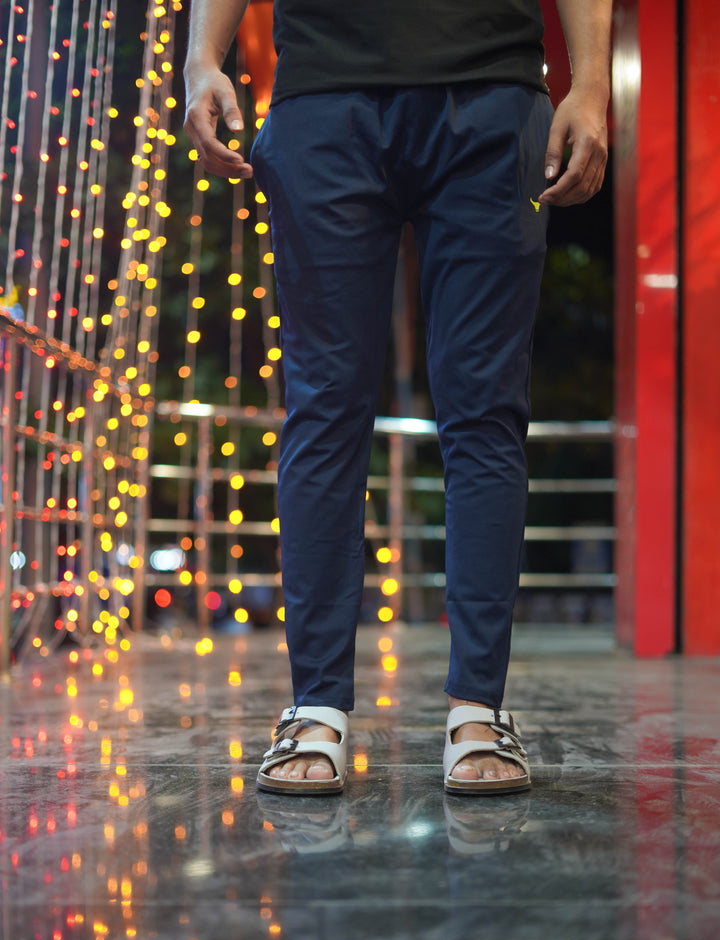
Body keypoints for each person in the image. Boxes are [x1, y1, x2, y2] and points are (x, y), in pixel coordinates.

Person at [184, 0, 611, 796]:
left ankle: (478, 708)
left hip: (492, 94)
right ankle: (315, 709)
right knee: (323, 407)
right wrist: (200, 57)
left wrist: (591, 83)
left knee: (485, 412)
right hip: (323, 96)